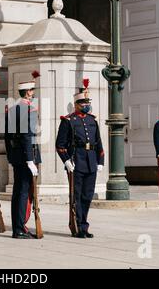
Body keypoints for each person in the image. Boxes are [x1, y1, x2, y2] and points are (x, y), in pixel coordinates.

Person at [56, 87, 104, 238]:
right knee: (76, 195)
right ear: (76, 104)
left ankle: (84, 226)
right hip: (77, 161)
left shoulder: (92, 120)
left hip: (91, 161)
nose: (86, 105)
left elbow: (98, 142)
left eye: (87, 102)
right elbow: (60, 144)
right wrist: (66, 161)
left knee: (87, 195)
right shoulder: (69, 121)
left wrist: (100, 160)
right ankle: (77, 226)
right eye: (83, 103)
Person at [5, 80, 41, 239]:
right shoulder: (29, 110)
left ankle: (18, 227)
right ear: (27, 93)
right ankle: (19, 228)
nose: (33, 93)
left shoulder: (12, 109)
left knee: (18, 192)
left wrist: (11, 155)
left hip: (16, 155)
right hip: (26, 155)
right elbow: (27, 135)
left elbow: (7, 136)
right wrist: (30, 159)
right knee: (24, 193)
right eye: (32, 91)